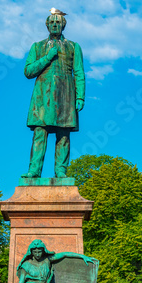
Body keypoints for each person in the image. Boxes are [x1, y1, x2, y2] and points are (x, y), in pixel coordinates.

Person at [21, 9, 85, 179]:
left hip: (66, 95)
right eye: (52, 22)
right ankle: (34, 170)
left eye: (58, 22)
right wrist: (48, 57)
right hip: (42, 96)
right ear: (47, 25)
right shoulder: (37, 46)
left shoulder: (73, 46)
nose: (55, 25)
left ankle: (61, 170)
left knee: (63, 134)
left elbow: (79, 72)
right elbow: (28, 71)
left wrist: (80, 96)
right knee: (40, 133)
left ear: (63, 25)